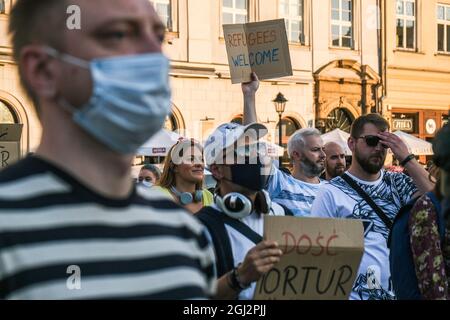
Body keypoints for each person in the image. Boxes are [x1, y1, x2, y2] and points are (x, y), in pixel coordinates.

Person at [0, 0, 216, 299]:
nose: (154, 55)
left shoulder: (183, 231)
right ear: (44, 71)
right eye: (118, 35)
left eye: (157, 35)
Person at [311, 113, 434, 300]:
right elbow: (316, 256)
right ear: (351, 144)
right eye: (371, 141)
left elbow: (438, 200)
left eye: (384, 144)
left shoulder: (398, 183)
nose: (378, 148)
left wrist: (407, 158)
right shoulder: (329, 193)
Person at [197, 122, 291, 300]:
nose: (253, 157)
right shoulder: (200, 227)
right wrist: (240, 277)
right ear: (217, 170)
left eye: (255, 148)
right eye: (241, 152)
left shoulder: (281, 213)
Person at [242, 73, 325, 217]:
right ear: (296, 154)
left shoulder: (332, 190)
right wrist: (249, 95)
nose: (323, 155)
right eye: (316, 150)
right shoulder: (279, 183)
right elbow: (252, 150)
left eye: (322, 149)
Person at [156, 139, 214, 213]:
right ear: (174, 167)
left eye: (201, 159)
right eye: (191, 159)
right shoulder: (157, 194)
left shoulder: (208, 196)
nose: (199, 164)